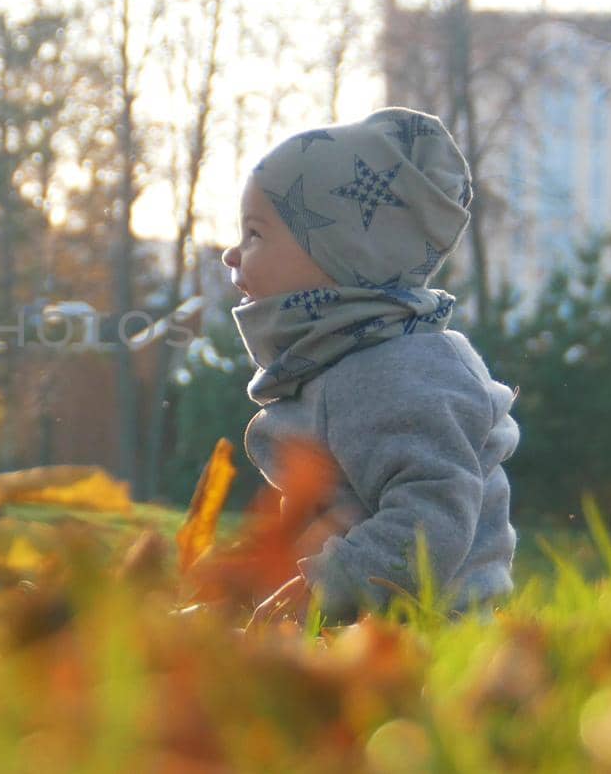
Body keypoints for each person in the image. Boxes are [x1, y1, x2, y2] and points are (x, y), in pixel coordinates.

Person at [220, 107, 518, 624]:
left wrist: (314, 595)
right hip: (359, 626)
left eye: (255, 234)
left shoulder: (397, 371)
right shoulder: (348, 359)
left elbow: (431, 516)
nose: (231, 254)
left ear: (340, 257)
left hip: (424, 634)